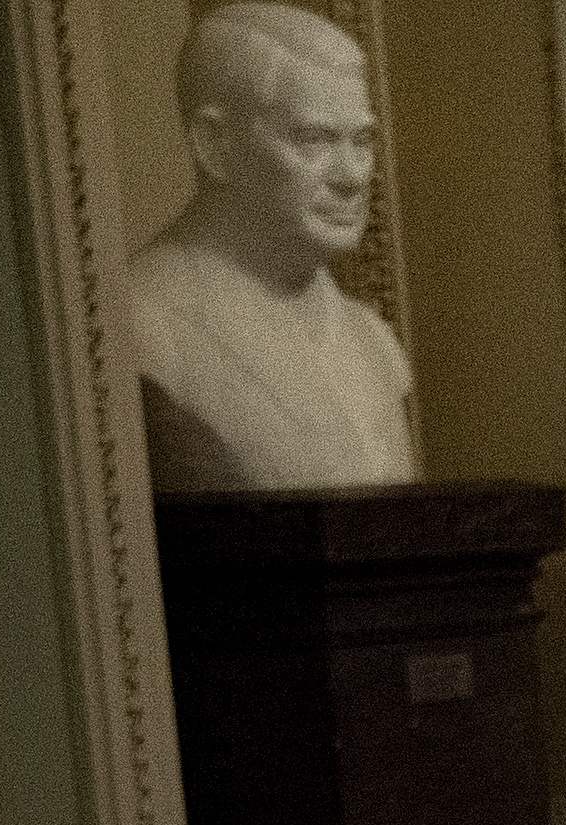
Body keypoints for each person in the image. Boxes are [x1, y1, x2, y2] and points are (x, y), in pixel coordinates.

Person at [124, 2, 419, 494]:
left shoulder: (372, 342)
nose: (352, 177)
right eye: (313, 139)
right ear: (214, 145)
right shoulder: (141, 326)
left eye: (362, 140)